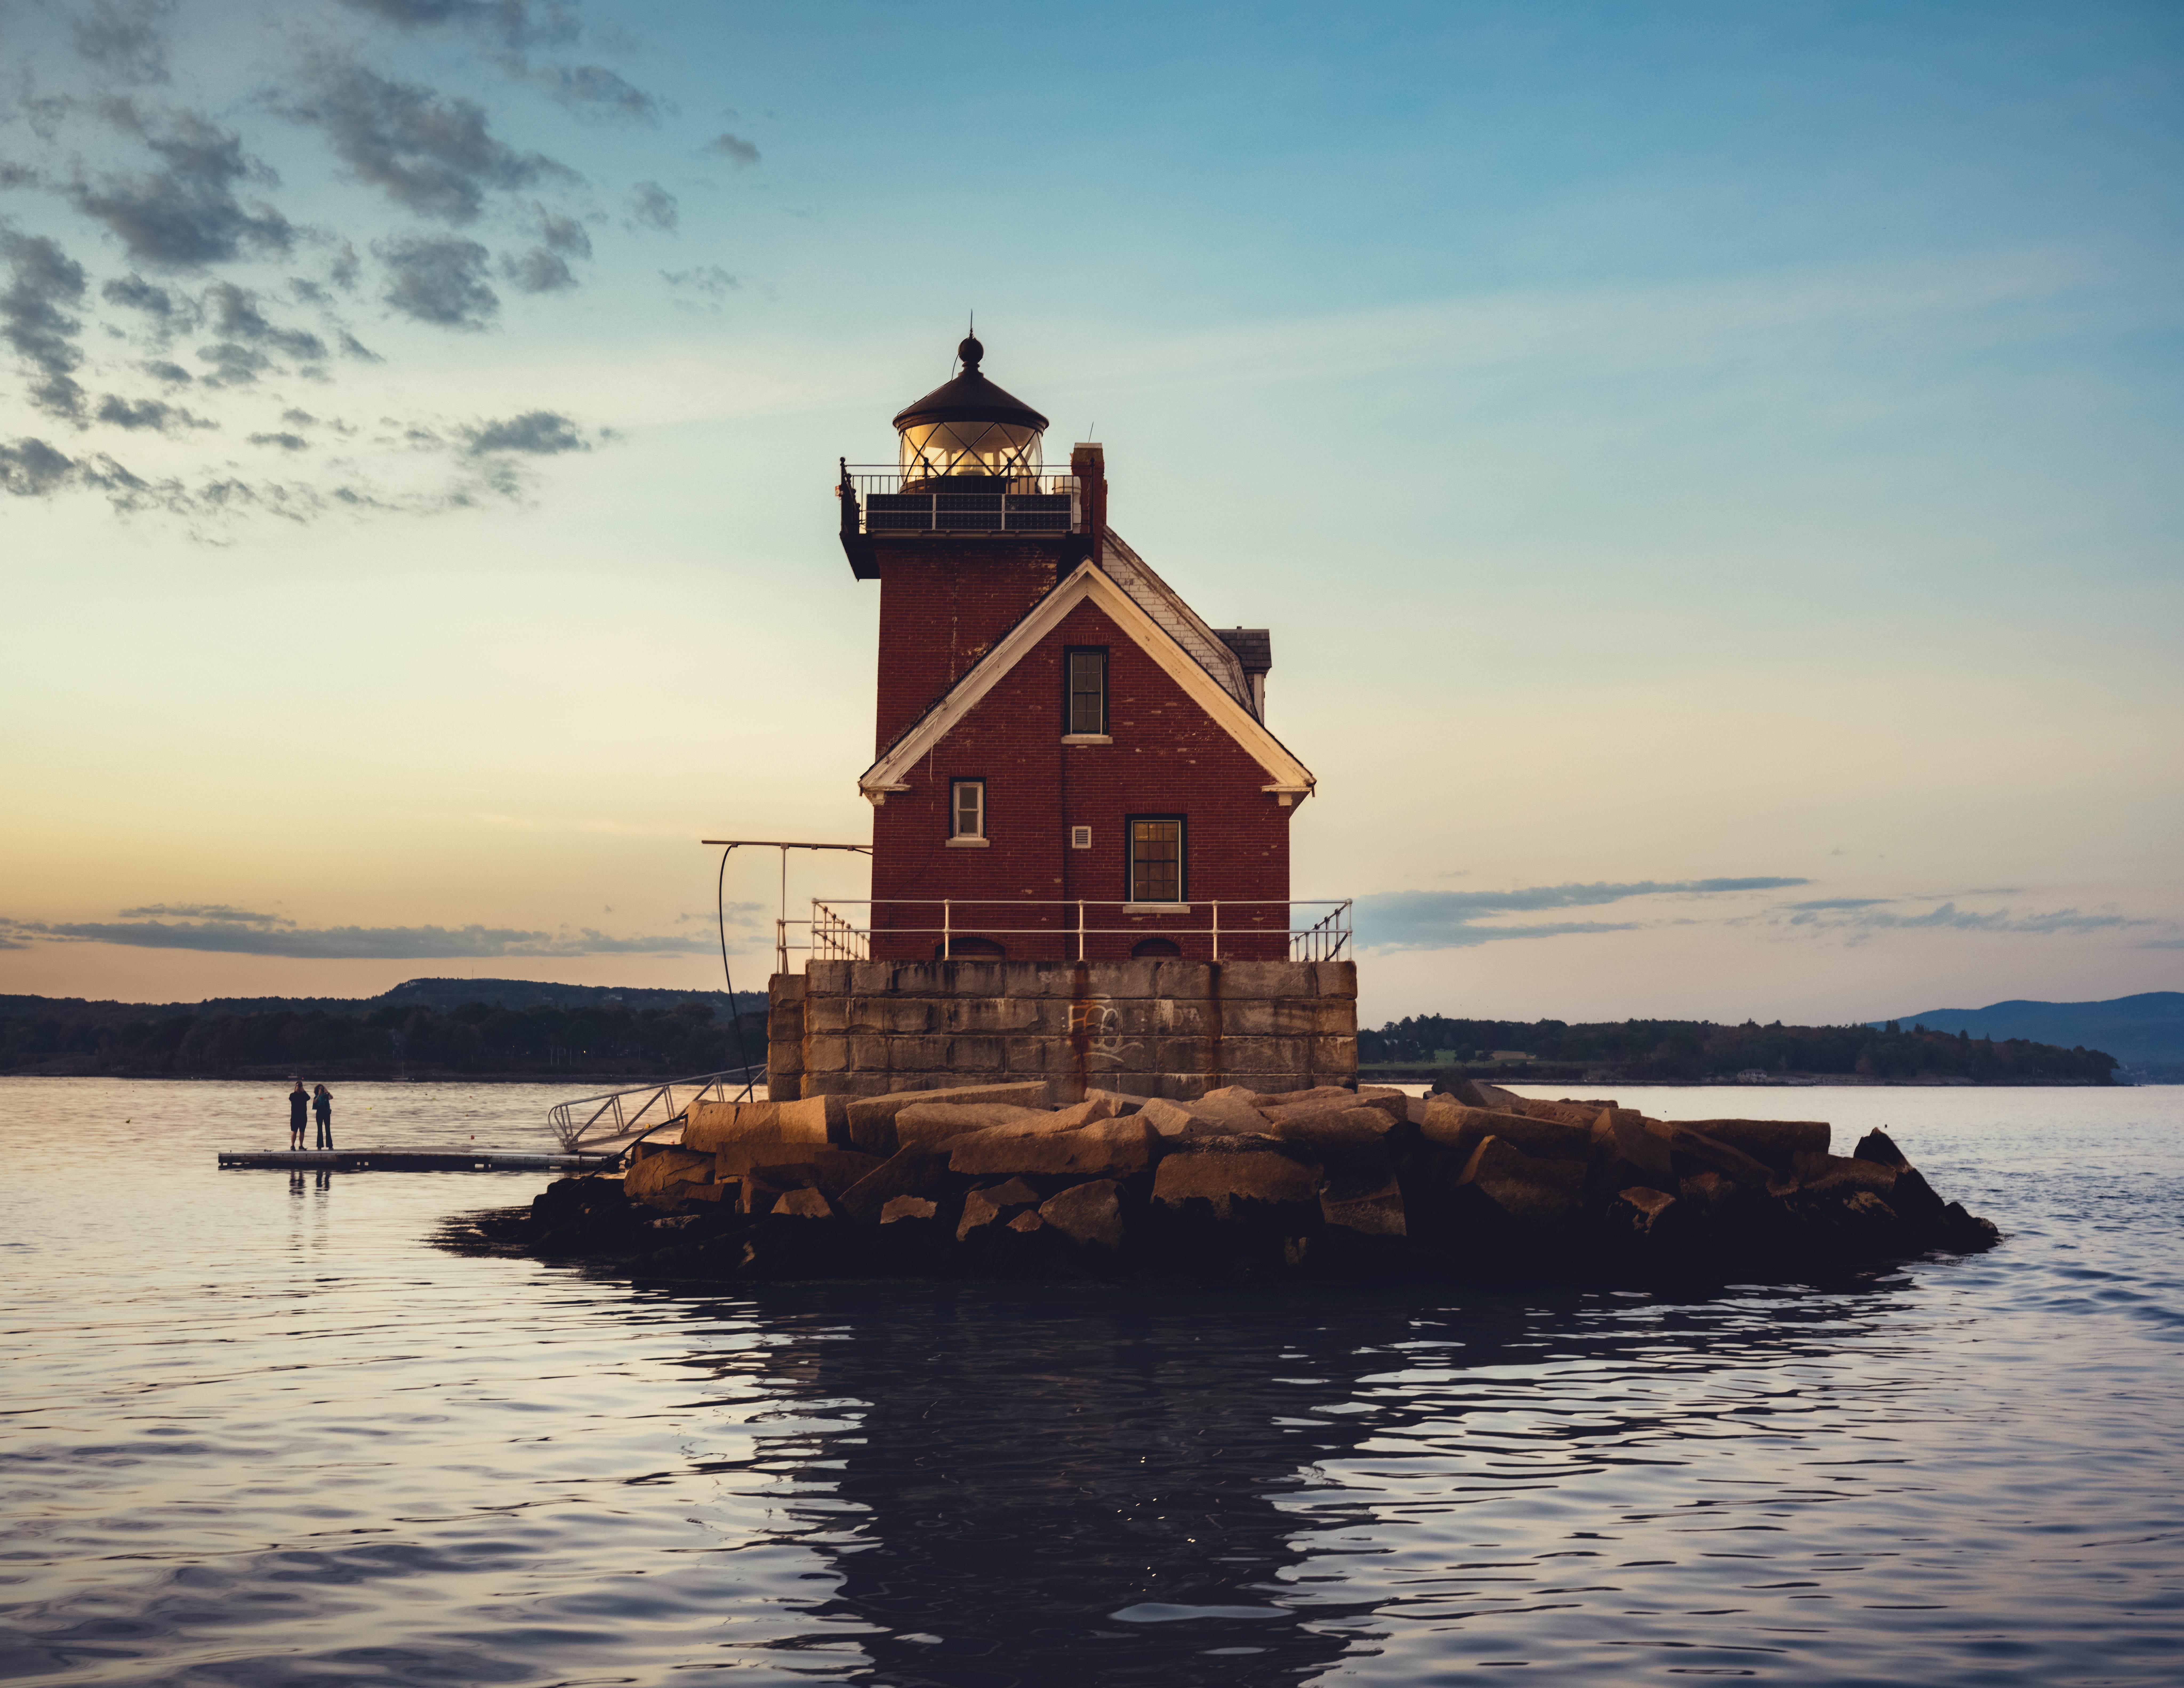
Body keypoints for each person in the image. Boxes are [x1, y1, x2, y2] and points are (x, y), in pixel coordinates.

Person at [288, 1079, 309, 1151]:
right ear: (295, 1087)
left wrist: (304, 1091)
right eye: (298, 1086)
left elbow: (308, 1098)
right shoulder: (293, 1095)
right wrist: (296, 1091)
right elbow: (291, 1099)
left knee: (302, 1131)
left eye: (300, 1086)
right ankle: (293, 1146)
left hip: (303, 1116)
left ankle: (301, 1145)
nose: (299, 1087)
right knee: (294, 1131)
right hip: (295, 1116)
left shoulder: (304, 1095)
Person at [312, 1083, 334, 1150]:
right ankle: (320, 1146)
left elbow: (332, 1097)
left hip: (326, 1113)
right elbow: (315, 1102)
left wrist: (327, 1092)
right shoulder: (316, 1097)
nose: (321, 1090)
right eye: (319, 1089)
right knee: (320, 1129)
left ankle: (330, 1146)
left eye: (322, 1088)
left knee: (328, 1129)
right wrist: (319, 1095)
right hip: (319, 1113)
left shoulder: (326, 1096)